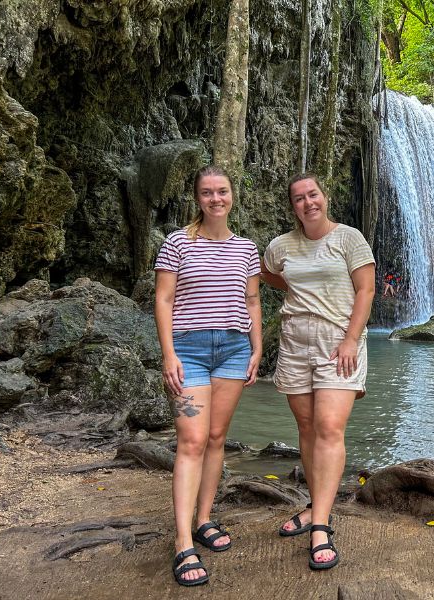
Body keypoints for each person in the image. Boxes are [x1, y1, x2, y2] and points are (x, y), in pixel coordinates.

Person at [154, 164, 263, 587]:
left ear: (232, 196)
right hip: (189, 350)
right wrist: (168, 354)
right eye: (207, 192)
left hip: (234, 350)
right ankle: (182, 541)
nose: (215, 198)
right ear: (197, 198)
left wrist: (257, 348)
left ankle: (203, 519)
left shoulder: (247, 249)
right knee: (192, 440)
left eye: (222, 191)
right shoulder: (177, 243)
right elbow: (164, 300)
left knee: (216, 437)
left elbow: (252, 301)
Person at [261, 172, 375, 570]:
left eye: (313, 194)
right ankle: (315, 506)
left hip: (338, 341)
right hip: (295, 342)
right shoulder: (281, 246)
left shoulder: (349, 239)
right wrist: (298, 291)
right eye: (299, 198)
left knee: (328, 427)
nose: (308, 202)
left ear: (324, 197)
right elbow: (267, 274)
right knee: (307, 428)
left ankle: (321, 525)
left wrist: (350, 340)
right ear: (292, 207)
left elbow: (366, 290)